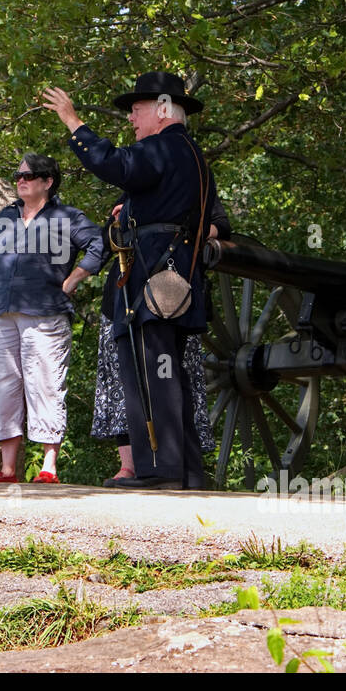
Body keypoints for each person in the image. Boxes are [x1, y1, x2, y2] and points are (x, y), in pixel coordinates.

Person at [43, 71, 214, 490]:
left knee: (148, 371)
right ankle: (187, 470)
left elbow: (115, 165)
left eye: (136, 111)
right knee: (170, 372)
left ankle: (159, 470)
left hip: (150, 275)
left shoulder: (162, 147)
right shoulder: (193, 154)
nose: (131, 121)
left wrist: (73, 122)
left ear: (161, 110)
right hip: (178, 277)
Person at [0, 153, 105, 483]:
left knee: (45, 384)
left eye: (29, 175)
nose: (21, 180)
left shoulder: (66, 216)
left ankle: (48, 467)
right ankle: (8, 469)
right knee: (4, 386)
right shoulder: (5, 217)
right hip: (1, 313)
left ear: (47, 182)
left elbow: (99, 244)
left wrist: (73, 280)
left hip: (45, 312)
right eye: (18, 175)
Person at [92, 197, 231, 483]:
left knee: (170, 382)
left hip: (171, 298)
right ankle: (131, 466)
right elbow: (107, 244)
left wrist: (184, 232)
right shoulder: (131, 193)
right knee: (124, 387)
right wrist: (115, 221)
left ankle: (172, 468)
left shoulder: (192, 189)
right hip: (124, 300)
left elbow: (221, 226)